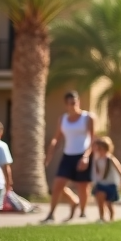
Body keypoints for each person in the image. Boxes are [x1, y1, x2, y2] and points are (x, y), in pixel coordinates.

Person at [42, 91, 94, 222]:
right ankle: (51, 214)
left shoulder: (88, 118)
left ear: (78, 102)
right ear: (66, 105)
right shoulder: (62, 119)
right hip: (67, 155)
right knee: (58, 184)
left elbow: (93, 139)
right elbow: (56, 138)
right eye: (70, 103)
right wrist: (50, 153)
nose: (73, 105)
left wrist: (86, 156)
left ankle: (82, 212)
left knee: (82, 186)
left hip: (82, 154)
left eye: (75, 102)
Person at [91, 137, 121, 223]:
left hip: (110, 183)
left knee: (108, 203)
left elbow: (119, 169)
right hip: (101, 183)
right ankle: (101, 217)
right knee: (100, 200)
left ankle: (111, 218)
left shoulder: (110, 159)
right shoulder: (97, 159)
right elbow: (96, 173)